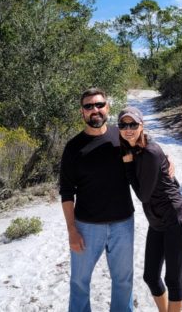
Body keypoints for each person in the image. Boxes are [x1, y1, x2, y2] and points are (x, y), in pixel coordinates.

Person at [59, 88, 135, 312]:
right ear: (82, 112)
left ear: (107, 108)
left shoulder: (122, 137)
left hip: (123, 224)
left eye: (99, 105)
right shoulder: (73, 147)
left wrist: (167, 159)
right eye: (89, 106)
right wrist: (72, 230)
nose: (95, 110)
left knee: (123, 281)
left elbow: (147, 152)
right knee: (79, 282)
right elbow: (66, 193)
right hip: (86, 227)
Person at [118, 106, 182, 312]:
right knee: (150, 276)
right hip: (157, 221)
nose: (128, 129)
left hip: (176, 220)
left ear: (142, 125)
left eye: (133, 124)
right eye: (123, 125)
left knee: (173, 279)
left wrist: (128, 166)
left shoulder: (149, 151)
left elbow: (143, 195)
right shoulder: (131, 148)